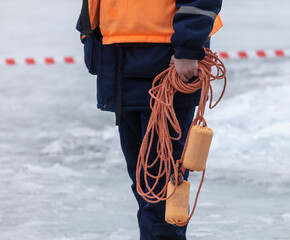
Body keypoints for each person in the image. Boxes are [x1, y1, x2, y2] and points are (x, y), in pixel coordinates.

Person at [77, 0, 223, 239]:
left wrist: (187, 48)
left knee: (162, 187)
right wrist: (89, 36)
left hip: (164, 56)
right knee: (144, 183)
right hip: (119, 54)